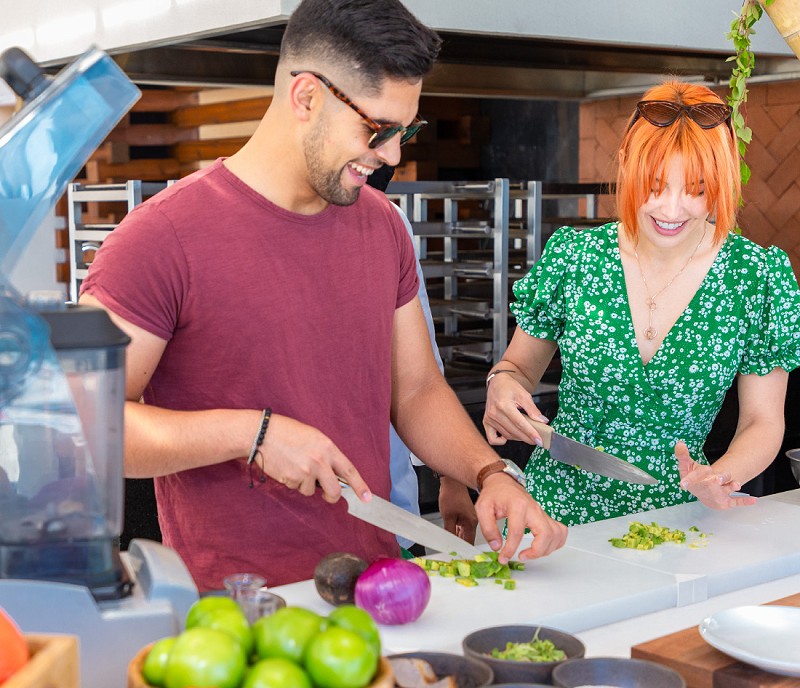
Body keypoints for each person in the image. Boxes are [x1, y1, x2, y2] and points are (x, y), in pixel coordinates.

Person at [79, 0, 565, 591]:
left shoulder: (381, 225)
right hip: (238, 607)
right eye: (377, 129)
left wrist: (491, 472)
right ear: (306, 97)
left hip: (378, 584)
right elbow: (89, 423)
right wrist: (252, 435)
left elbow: (415, 391)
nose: (392, 155)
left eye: (405, 131)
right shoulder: (158, 239)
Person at [483, 80, 800, 527]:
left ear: (723, 182)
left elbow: (763, 422)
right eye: (654, 186)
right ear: (628, 168)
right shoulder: (576, 257)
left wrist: (723, 475)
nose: (672, 209)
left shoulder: (756, 277)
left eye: (696, 188)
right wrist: (501, 384)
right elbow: (518, 368)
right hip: (554, 514)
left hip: (680, 520)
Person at [368, 165, 479, 550]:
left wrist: (455, 476)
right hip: (280, 546)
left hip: (394, 516)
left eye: (405, 134)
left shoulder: (389, 221)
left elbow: (418, 373)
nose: (393, 154)